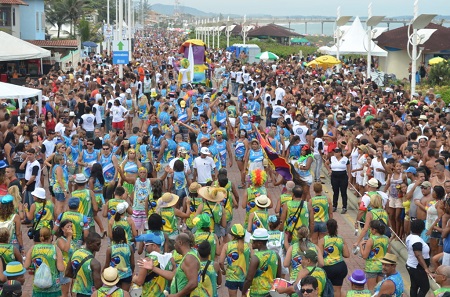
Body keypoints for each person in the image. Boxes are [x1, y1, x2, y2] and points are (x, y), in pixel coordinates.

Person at [24, 227, 65, 297]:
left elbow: (26, 266)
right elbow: (61, 268)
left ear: (40, 237)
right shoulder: (55, 249)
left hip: (38, 284)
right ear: (51, 237)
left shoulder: (33, 248)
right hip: (53, 286)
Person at [242, 228, 281, 297]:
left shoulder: (256, 257)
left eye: (253, 241)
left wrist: (243, 293)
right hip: (271, 293)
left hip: (257, 294)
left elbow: (249, 279)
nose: (252, 243)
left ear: (259, 243)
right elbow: (278, 277)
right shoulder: (276, 255)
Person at [317, 219, 350, 297]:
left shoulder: (322, 241)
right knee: (337, 290)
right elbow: (347, 254)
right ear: (337, 227)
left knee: (325, 289)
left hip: (327, 268)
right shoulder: (341, 239)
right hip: (340, 267)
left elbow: (320, 256)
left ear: (327, 228)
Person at [66, 232, 103, 297]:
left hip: (76, 292)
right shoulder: (95, 263)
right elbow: (98, 286)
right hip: (89, 294)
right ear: (90, 244)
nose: (100, 245)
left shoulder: (76, 252)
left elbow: (67, 273)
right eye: (98, 244)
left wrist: (79, 278)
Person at [218, 224, 251, 297]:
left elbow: (220, 262)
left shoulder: (227, 245)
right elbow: (252, 259)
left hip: (231, 277)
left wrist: (223, 270)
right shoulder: (247, 246)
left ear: (232, 235)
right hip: (245, 278)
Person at [359, 220, 389, 291]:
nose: (369, 230)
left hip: (371, 267)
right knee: (380, 290)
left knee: (371, 291)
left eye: (370, 228)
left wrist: (361, 246)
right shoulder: (387, 239)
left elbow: (364, 256)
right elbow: (387, 254)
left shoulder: (371, 240)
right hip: (382, 266)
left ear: (374, 230)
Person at [168, 232, 200, 297]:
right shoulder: (186, 257)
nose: (174, 245)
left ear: (180, 243)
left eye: (175, 243)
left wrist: (177, 295)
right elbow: (172, 275)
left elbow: (193, 283)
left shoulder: (189, 258)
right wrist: (153, 268)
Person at [406, 219, 431, 297]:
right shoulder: (417, 240)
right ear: (422, 229)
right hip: (417, 267)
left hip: (411, 265)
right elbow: (418, 255)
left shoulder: (410, 237)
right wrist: (426, 268)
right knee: (425, 287)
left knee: (414, 286)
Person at [105, 226, 134, 291]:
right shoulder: (129, 247)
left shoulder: (110, 249)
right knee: (124, 294)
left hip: (114, 275)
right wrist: (132, 272)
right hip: (127, 274)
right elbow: (133, 264)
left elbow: (107, 264)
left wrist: (103, 273)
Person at [325, 147, 350, 214]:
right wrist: (329, 170)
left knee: (343, 192)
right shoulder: (332, 158)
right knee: (335, 192)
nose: (335, 153)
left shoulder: (345, 159)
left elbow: (348, 168)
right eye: (334, 152)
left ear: (340, 153)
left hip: (343, 176)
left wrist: (349, 177)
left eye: (336, 152)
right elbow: (326, 163)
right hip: (334, 176)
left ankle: (344, 207)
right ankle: (334, 206)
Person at [55, 220, 75, 297]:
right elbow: (65, 249)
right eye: (68, 227)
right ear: (63, 229)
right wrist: (70, 236)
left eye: (71, 226)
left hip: (71, 268)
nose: (70, 228)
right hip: (63, 269)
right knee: (64, 292)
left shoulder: (71, 240)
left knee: (72, 290)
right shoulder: (60, 240)